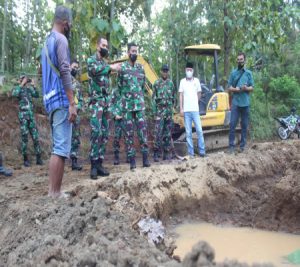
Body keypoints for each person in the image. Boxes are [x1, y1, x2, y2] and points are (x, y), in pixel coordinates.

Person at [41, 6, 77, 198]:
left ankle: (52, 191)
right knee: (61, 148)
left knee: (58, 146)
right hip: (61, 99)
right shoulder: (61, 39)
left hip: (50, 99)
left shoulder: (46, 42)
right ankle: (54, 193)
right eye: (69, 23)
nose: (69, 26)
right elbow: (64, 70)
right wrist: (72, 102)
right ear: (65, 23)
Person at [87, 37, 121, 179]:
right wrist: (111, 67)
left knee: (105, 134)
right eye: (103, 45)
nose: (105, 47)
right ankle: (93, 166)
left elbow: (109, 85)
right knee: (96, 133)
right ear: (97, 46)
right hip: (96, 103)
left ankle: (100, 163)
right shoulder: (91, 61)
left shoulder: (105, 64)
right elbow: (95, 71)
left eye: (107, 45)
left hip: (106, 105)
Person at [116, 42, 151, 170]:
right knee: (129, 134)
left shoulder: (141, 68)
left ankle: (145, 159)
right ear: (128, 53)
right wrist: (125, 101)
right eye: (132, 51)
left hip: (139, 106)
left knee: (142, 133)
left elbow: (142, 86)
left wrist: (138, 98)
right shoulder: (123, 68)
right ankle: (132, 161)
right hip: (127, 107)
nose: (134, 53)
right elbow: (119, 87)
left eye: (136, 51)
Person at [12, 75, 43, 167]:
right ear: (20, 80)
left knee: (35, 137)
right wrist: (21, 84)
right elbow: (14, 94)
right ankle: (25, 159)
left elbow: (37, 95)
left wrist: (33, 85)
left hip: (31, 116)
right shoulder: (18, 88)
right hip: (23, 116)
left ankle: (39, 158)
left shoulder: (29, 90)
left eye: (26, 79)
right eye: (23, 79)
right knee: (25, 137)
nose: (25, 81)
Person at [227, 52, 254, 153]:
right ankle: (231, 147)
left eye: (241, 59)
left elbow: (252, 87)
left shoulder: (248, 73)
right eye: (238, 59)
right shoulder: (233, 73)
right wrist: (236, 89)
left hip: (245, 103)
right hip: (236, 103)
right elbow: (229, 87)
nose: (239, 61)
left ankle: (242, 146)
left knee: (244, 125)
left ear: (244, 60)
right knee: (232, 124)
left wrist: (246, 88)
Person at [179, 62, 206, 158]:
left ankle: (202, 151)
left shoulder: (197, 81)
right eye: (187, 70)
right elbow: (181, 95)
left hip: (195, 110)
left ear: (193, 71)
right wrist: (181, 108)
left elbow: (199, 93)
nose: (189, 71)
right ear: (185, 70)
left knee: (199, 130)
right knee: (188, 133)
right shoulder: (182, 81)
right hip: (186, 111)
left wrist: (195, 102)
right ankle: (191, 153)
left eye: (190, 70)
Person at [152, 64, 176, 162]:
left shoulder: (171, 84)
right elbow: (153, 99)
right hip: (160, 112)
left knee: (167, 133)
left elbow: (174, 97)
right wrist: (155, 113)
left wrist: (172, 109)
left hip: (168, 112)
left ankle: (166, 153)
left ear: (168, 72)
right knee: (158, 133)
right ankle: (156, 153)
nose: (165, 73)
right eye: (163, 71)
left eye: (166, 71)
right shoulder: (156, 83)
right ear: (161, 71)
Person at [108, 88, 128, 165]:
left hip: (127, 117)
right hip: (117, 119)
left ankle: (129, 156)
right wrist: (115, 114)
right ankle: (116, 157)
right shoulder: (115, 91)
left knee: (128, 137)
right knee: (116, 138)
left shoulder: (128, 89)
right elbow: (110, 104)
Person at [70, 59, 84, 171]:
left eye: (76, 68)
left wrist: (77, 108)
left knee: (75, 138)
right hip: (65, 113)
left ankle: (74, 162)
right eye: (73, 67)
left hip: (76, 115)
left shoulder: (77, 84)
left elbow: (81, 100)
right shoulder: (63, 81)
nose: (75, 69)